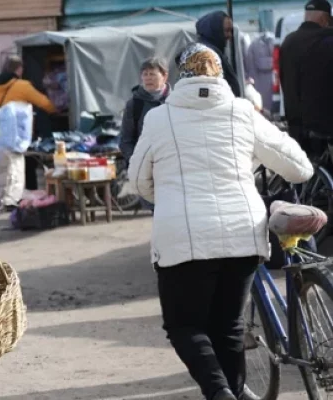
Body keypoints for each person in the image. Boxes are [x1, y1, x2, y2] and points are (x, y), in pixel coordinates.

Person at [128, 44, 312, 400]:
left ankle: (219, 393)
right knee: (229, 325)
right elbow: (300, 168)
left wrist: (166, 195)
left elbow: (138, 182)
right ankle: (232, 392)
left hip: (181, 237)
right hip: (243, 234)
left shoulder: (159, 118)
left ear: (180, 75)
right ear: (219, 73)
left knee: (185, 325)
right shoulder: (243, 112)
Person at [0, 55, 56, 191]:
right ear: (19, 69)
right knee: (27, 166)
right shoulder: (23, 86)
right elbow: (45, 104)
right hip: (17, 137)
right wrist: (57, 106)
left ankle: (7, 200)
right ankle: (28, 198)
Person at [281, 0, 333, 154]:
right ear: (325, 20)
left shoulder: (288, 42)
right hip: (324, 128)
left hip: (296, 125)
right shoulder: (328, 41)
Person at [120, 57, 170, 166]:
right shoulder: (134, 104)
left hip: (171, 163)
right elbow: (126, 140)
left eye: (152, 74)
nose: (148, 78)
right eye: (145, 74)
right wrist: (135, 161)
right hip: (143, 165)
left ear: (165, 76)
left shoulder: (175, 101)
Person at [195, 11, 241, 97]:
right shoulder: (206, 57)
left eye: (231, 31)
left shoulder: (217, 52)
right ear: (215, 30)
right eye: (227, 30)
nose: (230, 35)